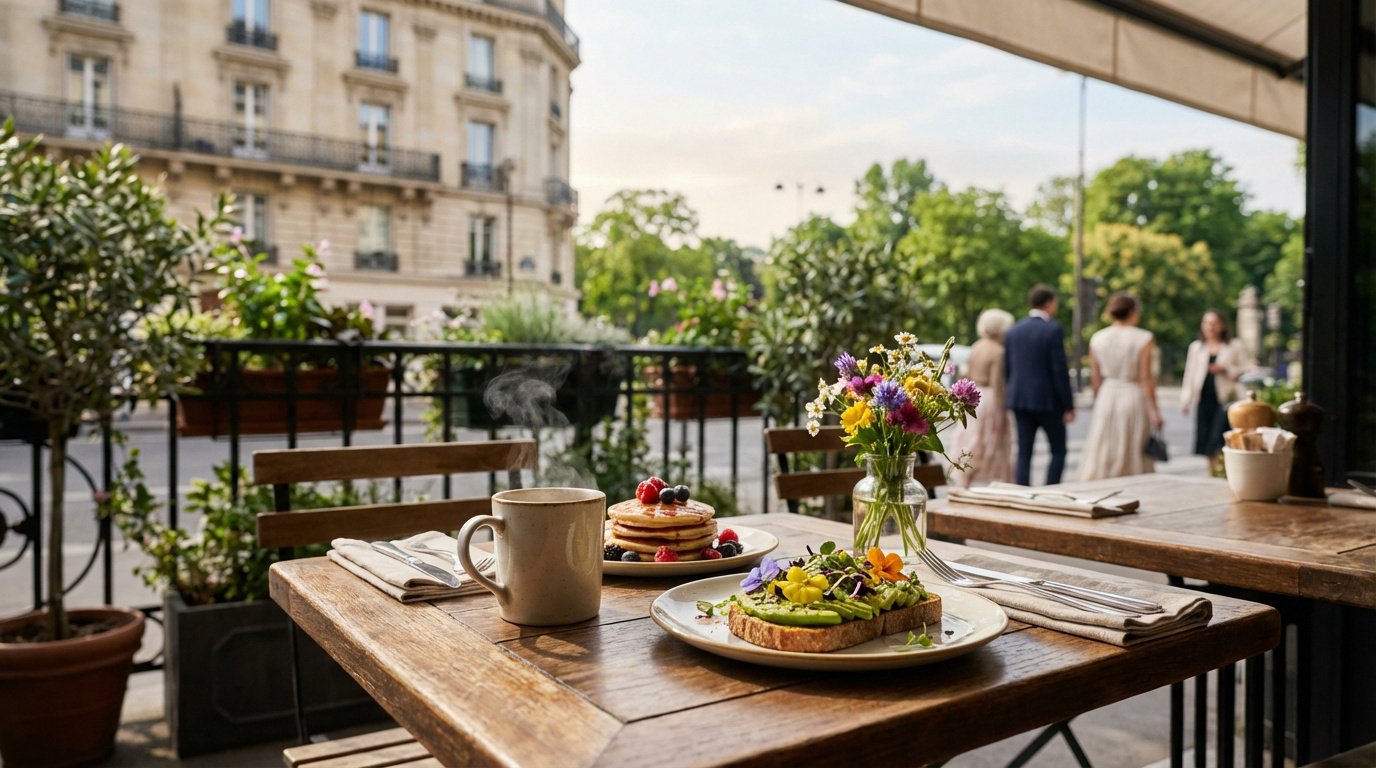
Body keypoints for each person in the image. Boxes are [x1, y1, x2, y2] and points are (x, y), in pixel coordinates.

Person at [1077, 292, 1164, 480]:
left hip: (1107, 395)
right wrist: (1155, 410)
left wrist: (1098, 400)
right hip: (1133, 395)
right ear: (1133, 311)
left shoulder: (1097, 338)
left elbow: (1096, 378)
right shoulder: (1144, 338)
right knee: (1133, 445)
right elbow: (1146, 377)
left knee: (1105, 444)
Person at [1003, 285, 1075, 486]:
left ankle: (1022, 492)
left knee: (1024, 451)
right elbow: (1059, 371)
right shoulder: (1053, 330)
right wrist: (1068, 405)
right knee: (1058, 451)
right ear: (1049, 303)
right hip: (1048, 402)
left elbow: (1007, 369)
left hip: (1019, 400)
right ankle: (1051, 489)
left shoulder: (1014, 331)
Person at [950, 308, 1015, 487]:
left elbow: (968, 375)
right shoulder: (998, 351)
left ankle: (965, 476)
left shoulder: (976, 347)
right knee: (991, 439)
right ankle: (991, 479)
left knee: (971, 437)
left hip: (974, 396)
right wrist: (1004, 407)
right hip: (991, 398)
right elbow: (997, 383)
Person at [1180, 309, 1249, 472]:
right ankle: (1212, 472)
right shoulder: (1197, 347)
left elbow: (1245, 368)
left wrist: (1225, 368)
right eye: (1207, 323)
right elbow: (1189, 374)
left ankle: (1225, 472)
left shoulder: (1234, 345)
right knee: (1206, 441)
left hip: (1225, 399)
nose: (1210, 327)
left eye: (1214, 323)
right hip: (1204, 398)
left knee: (1221, 437)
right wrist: (1186, 401)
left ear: (1222, 325)